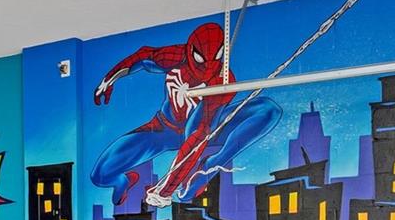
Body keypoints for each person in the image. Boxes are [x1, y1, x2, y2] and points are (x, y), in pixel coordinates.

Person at [91, 21, 279, 207]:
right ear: (191, 52)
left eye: (215, 58)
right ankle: (122, 182)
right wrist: (109, 79)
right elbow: (144, 56)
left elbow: (199, 132)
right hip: (163, 130)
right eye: (201, 60)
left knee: (268, 110)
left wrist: (166, 190)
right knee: (100, 175)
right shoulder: (176, 56)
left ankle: (213, 164)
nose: (207, 69)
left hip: (209, 128)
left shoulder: (223, 80)